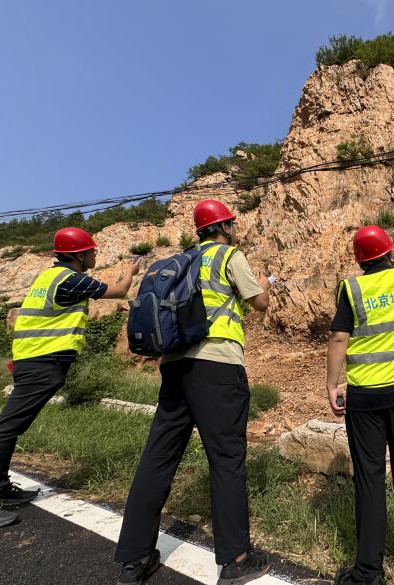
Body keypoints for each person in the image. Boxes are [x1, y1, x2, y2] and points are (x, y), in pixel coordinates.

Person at [114, 199, 272, 585]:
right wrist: (265, 285)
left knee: (158, 458)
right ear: (225, 227)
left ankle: (134, 559)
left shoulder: (180, 261)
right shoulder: (228, 256)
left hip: (173, 366)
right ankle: (235, 559)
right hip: (217, 365)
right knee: (226, 459)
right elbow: (260, 303)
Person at [0, 227, 141, 530]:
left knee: (12, 428)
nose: (95, 254)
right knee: (5, 429)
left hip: (33, 359)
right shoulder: (70, 279)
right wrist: (130, 271)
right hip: (42, 362)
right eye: (91, 251)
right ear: (79, 254)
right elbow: (118, 292)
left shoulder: (47, 277)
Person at [326, 216, 394, 585]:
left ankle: (369, 572)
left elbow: (339, 339)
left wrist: (332, 384)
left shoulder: (351, 290)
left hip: (366, 399)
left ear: (359, 260)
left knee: (370, 481)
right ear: (388, 253)